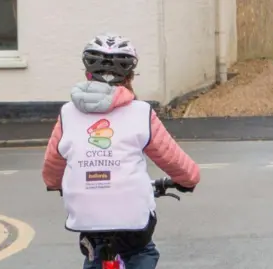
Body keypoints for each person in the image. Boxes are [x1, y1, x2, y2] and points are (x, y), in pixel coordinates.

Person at [41, 34, 201, 269]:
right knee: (141, 251)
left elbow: (52, 167)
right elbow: (173, 159)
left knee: (94, 254)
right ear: (129, 77)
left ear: (87, 75)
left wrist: (56, 184)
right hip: (132, 222)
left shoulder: (67, 114)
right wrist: (188, 179)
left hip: (86, 217)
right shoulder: (141, 112)